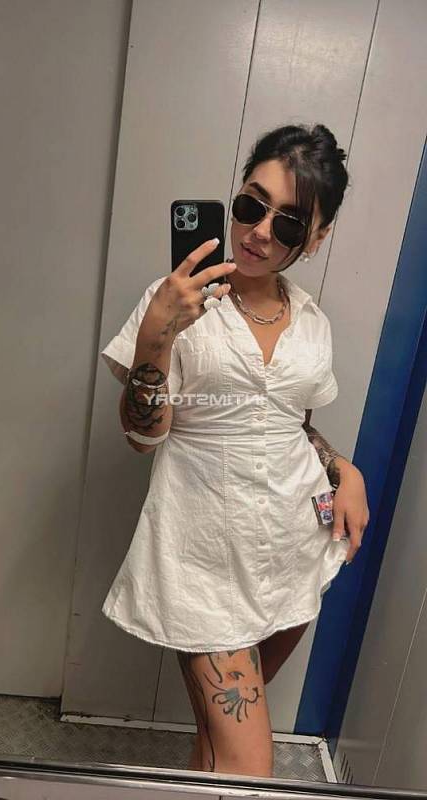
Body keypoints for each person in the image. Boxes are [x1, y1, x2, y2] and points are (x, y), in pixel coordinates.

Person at [100, 123, 370, 778]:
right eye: (252, 205)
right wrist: (158, 335)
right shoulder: (174, 302)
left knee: (217, 750)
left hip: (294, 549)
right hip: (204, 559)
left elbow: (290, 424)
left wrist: (344, 468)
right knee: (248, 767)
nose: (259, 232)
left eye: (288, 223)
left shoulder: (310, 321)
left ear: (317, 237)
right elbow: (141, 436)